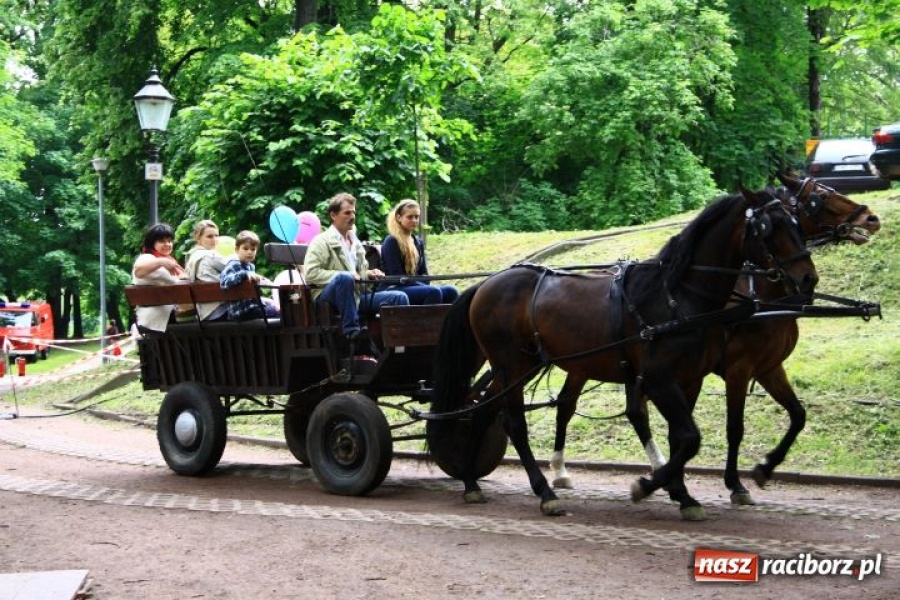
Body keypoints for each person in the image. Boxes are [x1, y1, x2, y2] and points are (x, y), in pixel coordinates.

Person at [304, 192, 409, 340]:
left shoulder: (356, 242)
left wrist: (370, 274)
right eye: (347, 213)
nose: (352, 216)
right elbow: (310, 274)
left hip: (357, 295)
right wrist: (345, 276)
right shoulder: (321, 241)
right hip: (328, 298)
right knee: (344, 278)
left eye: (353, 212)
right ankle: (353, 334)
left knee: (399, 297)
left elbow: (359, 275)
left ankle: (400, 344)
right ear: (333, 215)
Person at [380, 198, 459, 305]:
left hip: (415, 286)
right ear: (399, 217)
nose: (414, 220)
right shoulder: (391, 241)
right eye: (410, 217)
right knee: (433, 292)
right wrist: (422, 285)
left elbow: (424, 274)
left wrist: (422, 284)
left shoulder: (418, 242)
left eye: (416, 217)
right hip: (395, 288)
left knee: (451, 290)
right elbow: (396, 276)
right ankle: (427, 321)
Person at [131, 223, 187, 332]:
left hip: (160, 317)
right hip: (161, 318)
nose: (167, 244)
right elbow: (138, 271)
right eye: (162, 241)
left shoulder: (165, 260)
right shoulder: (147, 258)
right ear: (152, 244)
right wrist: (161, 261)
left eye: (169, 241)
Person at [219, 230, 280, 321]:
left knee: (277, 306)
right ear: (236, 249)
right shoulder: (234, 264)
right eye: (245, 248)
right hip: (241, 310)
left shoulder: (250, 266)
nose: (249, 252)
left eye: (253, 249)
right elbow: (224, 283)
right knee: (280, 311)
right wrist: (244, 274)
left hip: (250, 307)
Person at [184, 219, 229, 321]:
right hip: (220, 309)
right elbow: (235, 268)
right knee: (271, 307)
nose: (214, 239)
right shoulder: (210, 255)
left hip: (203, 314)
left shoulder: (191, 257)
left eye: (216, 236)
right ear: (198, 238)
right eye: (209, 236)